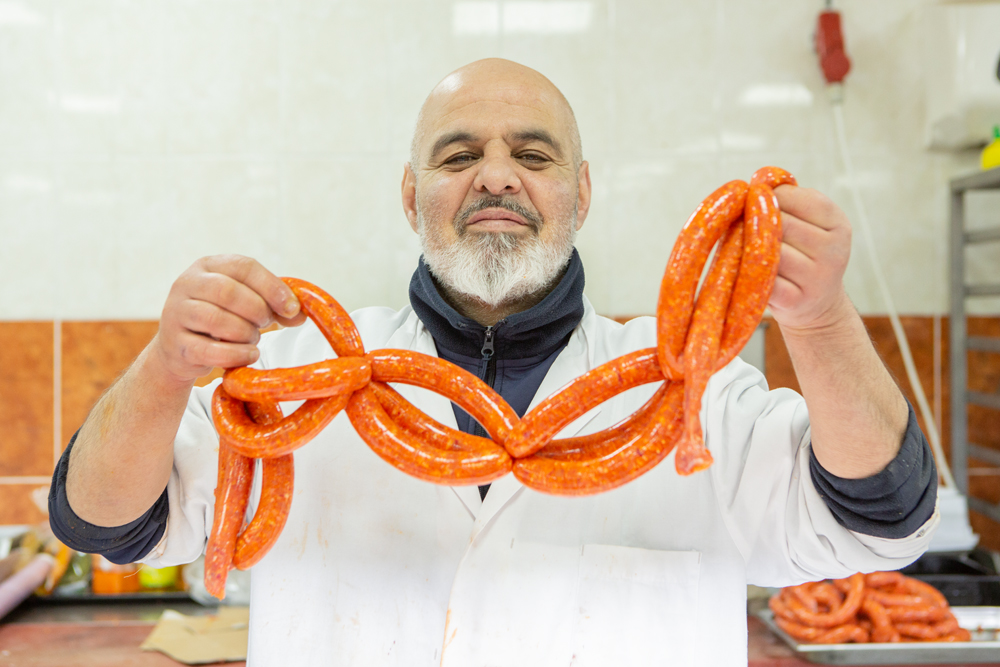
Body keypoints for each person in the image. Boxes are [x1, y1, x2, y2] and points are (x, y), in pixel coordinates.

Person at [50, 59, 938, 666]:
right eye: (460, 154)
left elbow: (884, 518)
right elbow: (101, 524)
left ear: (580, 195)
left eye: (533, 154)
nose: (498, 175)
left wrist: (820, 319)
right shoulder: (292, 375)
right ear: (412, 198)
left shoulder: (701, 396)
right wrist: (164, 366)